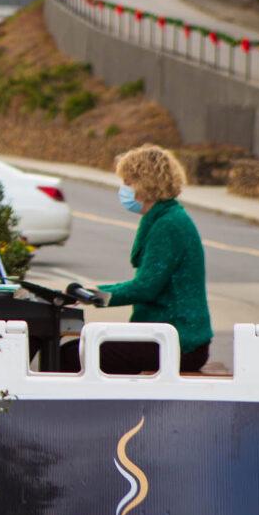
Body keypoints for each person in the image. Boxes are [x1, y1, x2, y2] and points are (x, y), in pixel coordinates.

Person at [94, 145, 213, 374]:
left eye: (128, 183)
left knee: (77, 355)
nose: (123, 190)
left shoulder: (168, 225)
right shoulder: (166, 217)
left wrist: (98, 295)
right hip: (174, 338)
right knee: (88, 350)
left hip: (179, 343)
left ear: (147, 184)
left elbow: (145, 288)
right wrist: (95, 291)